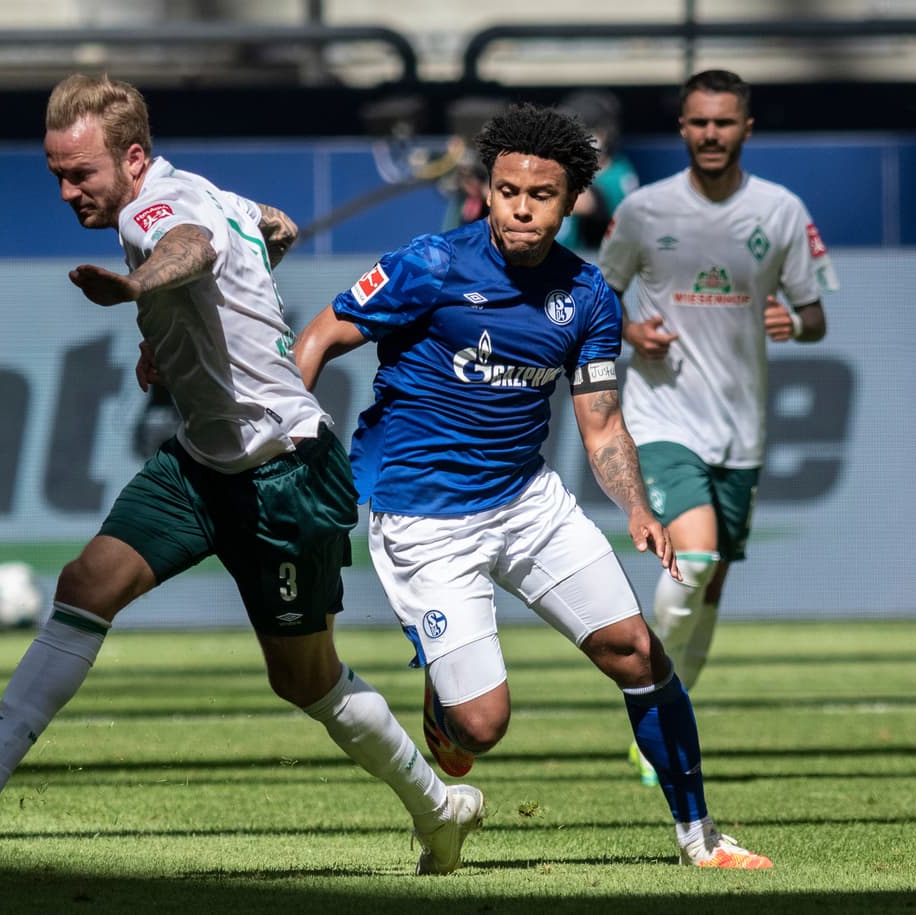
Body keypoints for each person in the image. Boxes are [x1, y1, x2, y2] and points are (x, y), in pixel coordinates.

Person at [0, 74, 484, 876]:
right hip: (200, 464)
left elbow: (186, 248)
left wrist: (137, 289)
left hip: (284, 474)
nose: (65, 190)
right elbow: (271, 226)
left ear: (133, 158)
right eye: (55, 172)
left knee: (304, 678)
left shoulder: (157, 212)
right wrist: (181, 326)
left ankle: (438, 807)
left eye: (79, 173)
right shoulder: (196, 191)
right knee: (87, 583)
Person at [293, 101, 772, 869]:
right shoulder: (430, 264)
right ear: (489, 186)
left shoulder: (586, 298)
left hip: (527, 504)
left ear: (572, 199)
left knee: (639, 653)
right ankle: (447, 708)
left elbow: (604, 423)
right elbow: (320, 334)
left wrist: (639, 508)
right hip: (424, 520)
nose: (519, 205)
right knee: (480, 730)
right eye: (506, 189)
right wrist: (289, 437)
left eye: (539, 194)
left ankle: (700, 839)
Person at [596, 70, 837, 787]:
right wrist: (628, 329)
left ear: (746, 129)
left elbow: (816, 314)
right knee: (693, 556)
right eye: (698, 123)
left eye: (724, 123)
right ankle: (651, 706)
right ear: (682, 128)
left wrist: (794, 321)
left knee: (712, 585)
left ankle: (666, 717)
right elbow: (596, 298)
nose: (710, 135)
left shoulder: (782, 211)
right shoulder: (642, 211)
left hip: (743, 429)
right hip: (662, 416)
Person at [553, 89, 639, 251]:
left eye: (580, 132)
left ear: (603, 134)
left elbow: (587, 202)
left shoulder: (619, 174)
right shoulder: (562, 167)